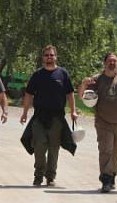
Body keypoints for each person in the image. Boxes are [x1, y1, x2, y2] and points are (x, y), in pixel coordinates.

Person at [78, 52, 117, 193]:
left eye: (115, 61)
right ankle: (106, 179)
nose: (112, 63)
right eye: (109, 61)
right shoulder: (97, 79)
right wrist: (83, 84)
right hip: (103, 122)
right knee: (106, 150)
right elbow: (82, 95)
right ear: (105, 63)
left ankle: (112, 174)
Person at [20, 45, 78, 187]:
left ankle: (50, 177)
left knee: (54, 149)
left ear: (56, 57)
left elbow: (70, 94)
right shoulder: (37, 75)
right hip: (39, 117)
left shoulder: (63, 74)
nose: (49, 57)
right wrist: (25, 112)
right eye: (46, 55)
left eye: (51, 55)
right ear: (43, 58)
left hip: (57, 118)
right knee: (39, 146)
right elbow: (29, 94)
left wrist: (73, 111)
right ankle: (38, 175)